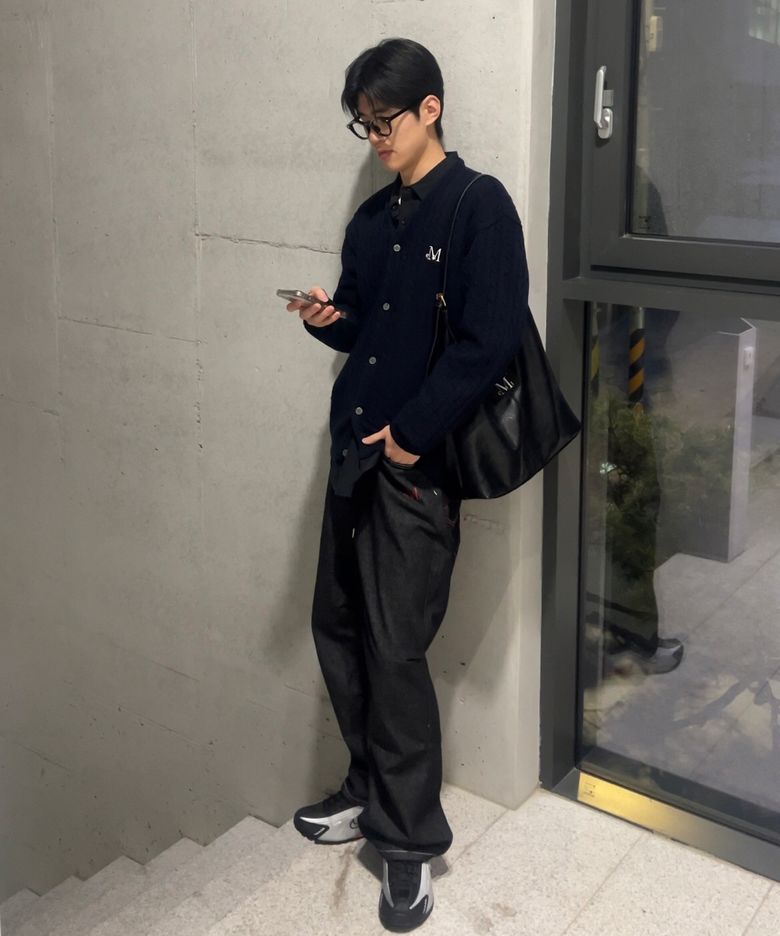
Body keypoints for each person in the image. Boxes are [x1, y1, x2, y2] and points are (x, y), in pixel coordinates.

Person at [286, 38, 529, 932]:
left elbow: (489, 339)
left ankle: (409, 843)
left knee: (394, 651)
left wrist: (411, 437)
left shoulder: (477, 206)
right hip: (352, 452)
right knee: (338, 626)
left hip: (413, 471)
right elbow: (363, 323)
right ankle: (366, 788)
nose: (375, 137)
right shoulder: (374, 217)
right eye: (364, 123)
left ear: (431, 108)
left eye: (384, 119)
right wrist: (327, 318)